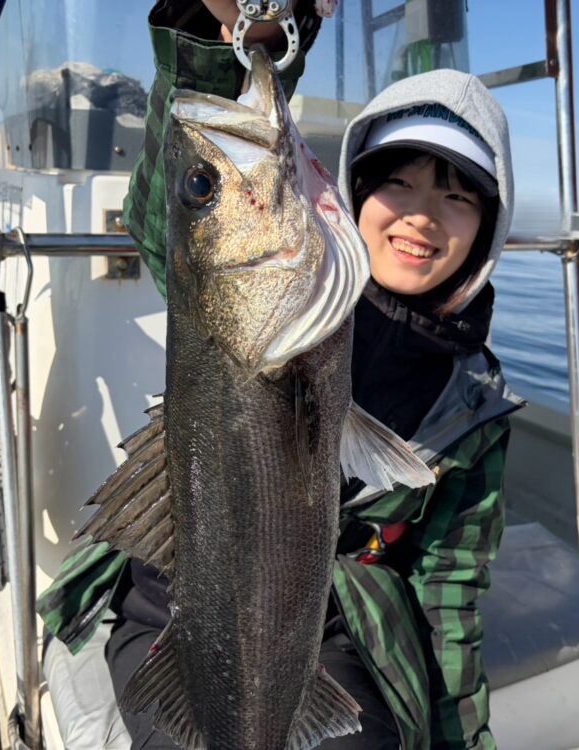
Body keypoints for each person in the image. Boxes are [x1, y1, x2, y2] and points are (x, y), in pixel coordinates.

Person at [37, 1, 523, 748]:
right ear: (351, 191)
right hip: (175, 614)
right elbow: (173, 209)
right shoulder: (245, 296)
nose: (423, 217)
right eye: (398, 183)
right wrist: (237, 34)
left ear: (487, 230)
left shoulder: (473, 406)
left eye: (457, 196)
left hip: (328, 628)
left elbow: (448, 594)